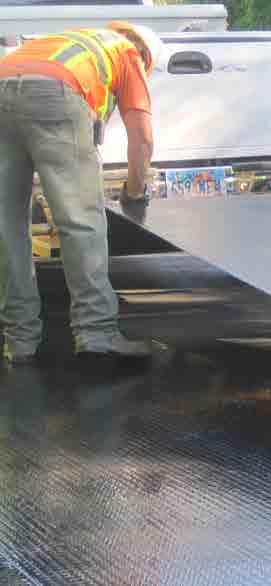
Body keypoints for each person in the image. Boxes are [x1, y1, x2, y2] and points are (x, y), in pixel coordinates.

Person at [0, 21, 165, 363]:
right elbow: (143, 138)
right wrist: (134, 193)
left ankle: (18, 342)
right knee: (80, 221)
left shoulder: (71, 41)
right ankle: (97, 334)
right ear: (146, 56)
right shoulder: (127, 52)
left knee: (6, 226)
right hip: (53, 94)